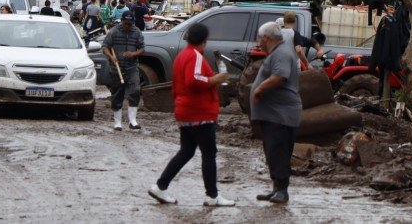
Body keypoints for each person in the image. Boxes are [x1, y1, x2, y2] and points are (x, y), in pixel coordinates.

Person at [148, 23, 235, 207]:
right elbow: (193, 80)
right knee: (209, 153)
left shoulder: (182, 56)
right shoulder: (194, 55)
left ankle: (160, 186)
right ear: (204, 40)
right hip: (199, 111)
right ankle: (212, 196)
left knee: (187, 151)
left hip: (186, 110)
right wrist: (215, 79)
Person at [251, 22, 301, 205]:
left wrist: (259, 89)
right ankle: (276, 188)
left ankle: (282, 191)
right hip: (273, 114)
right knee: (273, 152)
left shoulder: (281, 53)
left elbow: (280, 77)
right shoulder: (278, 52)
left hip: (281, 115)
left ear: (266, 37)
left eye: (260, 38)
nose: (259, 42)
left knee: (279, 152)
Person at [102, 12, 145, 130]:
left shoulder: (137, 32)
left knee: (135, 91)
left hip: (132, 68)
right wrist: (111, 57)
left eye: (130, 24)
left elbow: (142, 49)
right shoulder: (114, 31)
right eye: (126, 24)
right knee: (117, 94)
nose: (128, 26)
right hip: (116, 68)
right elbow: (105, 46)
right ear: (121, 21)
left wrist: (133, 54)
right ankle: (117, 123)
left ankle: (133, 121)